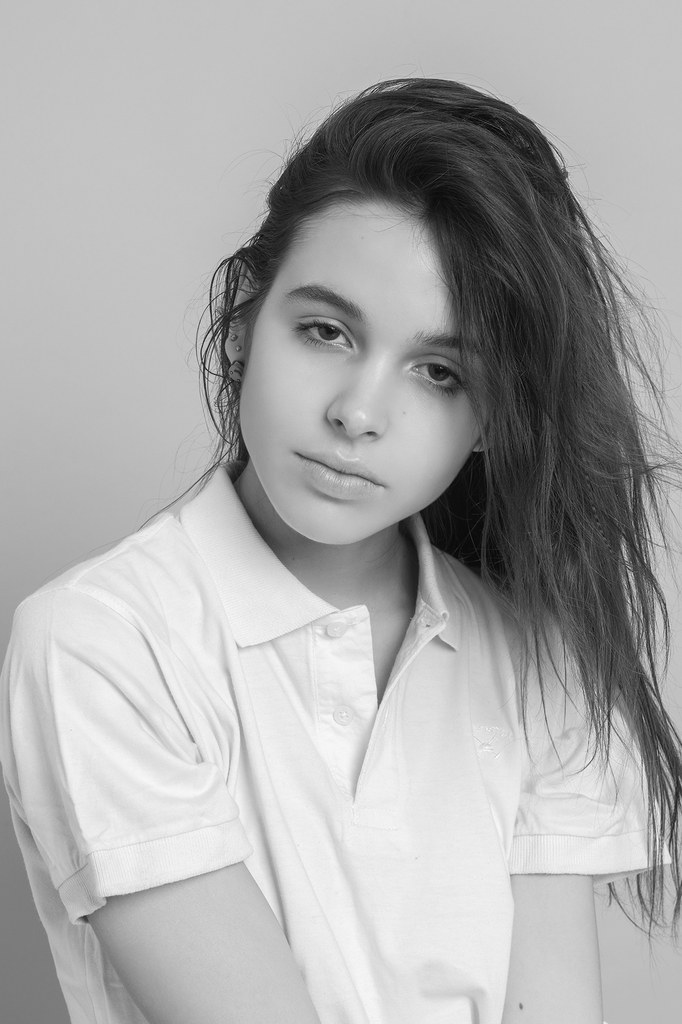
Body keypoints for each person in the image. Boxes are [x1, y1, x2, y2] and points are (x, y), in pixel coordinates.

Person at [1, 77, 680, 1024]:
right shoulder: (103, 645)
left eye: (439, 373)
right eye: (325, 331)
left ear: (495, 418)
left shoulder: (543, 662)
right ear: (246, 321)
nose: (359, 413)